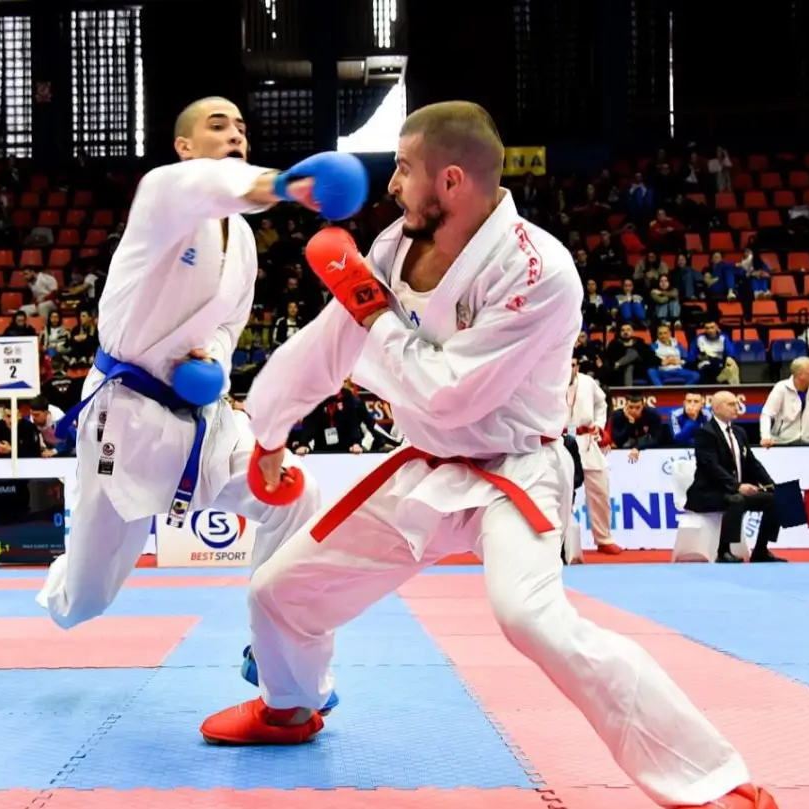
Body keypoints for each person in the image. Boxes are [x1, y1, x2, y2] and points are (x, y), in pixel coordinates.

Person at [199, 102, 777, 809]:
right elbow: (330, 342)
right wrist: (270, 430)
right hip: (428, 464)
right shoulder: (394, 246)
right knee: (278, 591)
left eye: (403, 169)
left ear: (449, 180)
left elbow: (449, 394)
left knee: (531, 618)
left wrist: (373, 312)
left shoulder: (538, 271)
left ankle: (712, 779)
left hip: (516, 471)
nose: (390, 186)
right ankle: (290, 706)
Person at [37, 96, 365, 665]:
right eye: (218, 125)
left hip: (202, 419)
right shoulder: (163, 192)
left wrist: (210, 359)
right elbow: (211, 184)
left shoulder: (243, 240)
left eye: (241, 127)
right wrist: (285, 185)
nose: (235, 134)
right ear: (184, 146)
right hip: (126, 415)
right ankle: (68, 577)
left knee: (296, 495)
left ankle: (276, 650)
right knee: (85, 598)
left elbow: (229, 322)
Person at [685, 391, 785, 564]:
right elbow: (711, 467)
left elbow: (752, 463)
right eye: (730, 404)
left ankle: (761, 550)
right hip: (709, 492)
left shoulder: (739, 432)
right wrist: (737, 486)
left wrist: (771, 484)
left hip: (733, 490)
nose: (736, 407)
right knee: (736, 500)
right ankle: (723, 551)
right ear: (716, 408)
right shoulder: (705, 433)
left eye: (736, 403)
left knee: (775, 499)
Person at [565, 358, 619, 554]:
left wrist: (598, 424)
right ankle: (562, 539)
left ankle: (604, 539)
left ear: (578, 366)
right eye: (566, 364)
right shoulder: (549, 381)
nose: (570, 369)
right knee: (563, 492)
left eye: (573, 365)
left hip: (587, 440)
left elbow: (601, 404)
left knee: (600, 490)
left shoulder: (587, 382)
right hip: (561, 441)